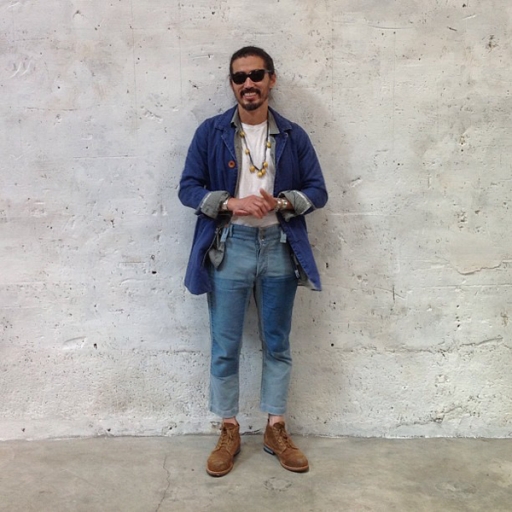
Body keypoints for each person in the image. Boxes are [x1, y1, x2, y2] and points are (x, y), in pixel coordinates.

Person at [178, 46, 328, 477]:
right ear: (232, 84)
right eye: (240, 77)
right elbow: (188, 187)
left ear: (271, 80)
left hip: (279, 247)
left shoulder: (294, 136)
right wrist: (231, 203)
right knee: (225, 345)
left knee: (277, 343)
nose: (248, 84)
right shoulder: (211, 132)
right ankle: (228, 429)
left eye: (257, 75)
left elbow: (317, 190)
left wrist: (280, 202)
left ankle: (275, 427)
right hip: (230, 247)